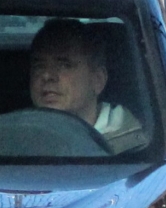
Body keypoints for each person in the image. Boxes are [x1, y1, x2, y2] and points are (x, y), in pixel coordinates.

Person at [29, 19, 147, 153]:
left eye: (64, 65)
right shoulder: (16, 137)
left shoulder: (134, 149)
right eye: (39, 66)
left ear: (97, 80)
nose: (47, 75)